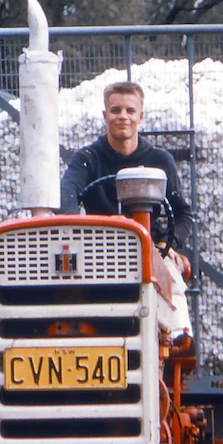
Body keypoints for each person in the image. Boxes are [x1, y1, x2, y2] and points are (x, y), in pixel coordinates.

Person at [60, 80, 193, 339]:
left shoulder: (159, 160)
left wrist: (169, 242)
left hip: (148, 249)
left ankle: (176, 334)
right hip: (97, 250)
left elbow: (183, 214)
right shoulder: (87, 158)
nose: (123, 117)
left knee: (170, 275)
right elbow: (67, 197)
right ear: (105, 116)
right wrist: (77, 226)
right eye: (116, 110)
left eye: (130, 111)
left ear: (140, 116)